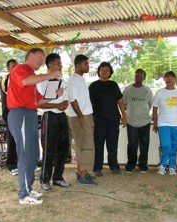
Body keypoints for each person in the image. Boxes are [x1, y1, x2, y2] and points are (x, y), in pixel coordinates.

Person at [7, 48, 62, 205]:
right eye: (40, 57)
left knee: (33, 153)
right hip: (20, 113)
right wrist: (50, 75)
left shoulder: (32, 79)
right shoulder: (20, 69)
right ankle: (23, 194)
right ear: (30, 56)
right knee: (25, 153)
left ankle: (29, 188)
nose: (41, 60)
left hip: (30, 114)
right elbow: (25, 81)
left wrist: (55, 94)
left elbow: (39, 101)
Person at [36, 53, 70, 191]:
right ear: (50, 65)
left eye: (61, 63)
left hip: (61, 116)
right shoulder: (41, 82)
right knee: (49, 149)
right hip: (49, 116)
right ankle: (45, 179)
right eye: (57, 63)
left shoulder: (63, 81)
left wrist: (63, 105)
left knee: (63, 148)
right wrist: (56, 105)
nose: (60, 66)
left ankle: (58, 178)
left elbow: (66, 100)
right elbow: (39, 104)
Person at [89, 62, 126, 176]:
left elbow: (120, 101)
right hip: (99, 120)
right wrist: (91, 120)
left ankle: (114, 166)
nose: (105, 72)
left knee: (112, 144)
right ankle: (97, 167)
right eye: (102, 70)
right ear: (99, 71)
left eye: (107, 70)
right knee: (99, 144)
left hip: (113, 119)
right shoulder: (93, 86)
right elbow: (89, 104)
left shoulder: (114, 85)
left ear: (110, 73)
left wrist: (124, 116)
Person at [67, 54, 97, 186]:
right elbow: (72, 100)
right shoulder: (72, 79)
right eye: (85, 64)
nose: (88, 66)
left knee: (86, 145)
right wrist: (80, 116)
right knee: (84, 145)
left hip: (86, 115)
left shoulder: (81, 79)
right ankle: (84, 174)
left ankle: (82, 172)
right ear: (77, 65)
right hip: (79, 116)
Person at [152, 71, 177, 176]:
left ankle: (172, 166)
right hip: (163, 123)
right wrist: (155, 122)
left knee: (174, 146)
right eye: (167, 77)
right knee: (165, 145)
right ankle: (162, 165)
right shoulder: (159, 92)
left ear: (175, 80)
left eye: (171, 78)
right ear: (164, 80)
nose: (169, 80)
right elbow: (155, 108)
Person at [123, 69, 153, 174]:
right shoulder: (127, 89)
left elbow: (149, 105)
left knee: (144, 144)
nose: (138, 77)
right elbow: (124, 104)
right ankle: (130, 165)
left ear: (144, 77)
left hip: (145, 122)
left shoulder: (148, 90)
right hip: (131, 122)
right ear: (134, 77)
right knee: (132, 144)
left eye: (141, 75)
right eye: (137, 75)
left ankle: (143, 166)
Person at [0, 59, 18, 175]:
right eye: (12, 67)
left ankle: (23, 162)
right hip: (10, 113)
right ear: (8, 68)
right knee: (12, 139)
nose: (15, 69)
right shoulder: (5, 79)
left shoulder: (20, 78)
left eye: (16, 66)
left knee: (22, 140)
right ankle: (11, 164)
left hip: (21, 113)